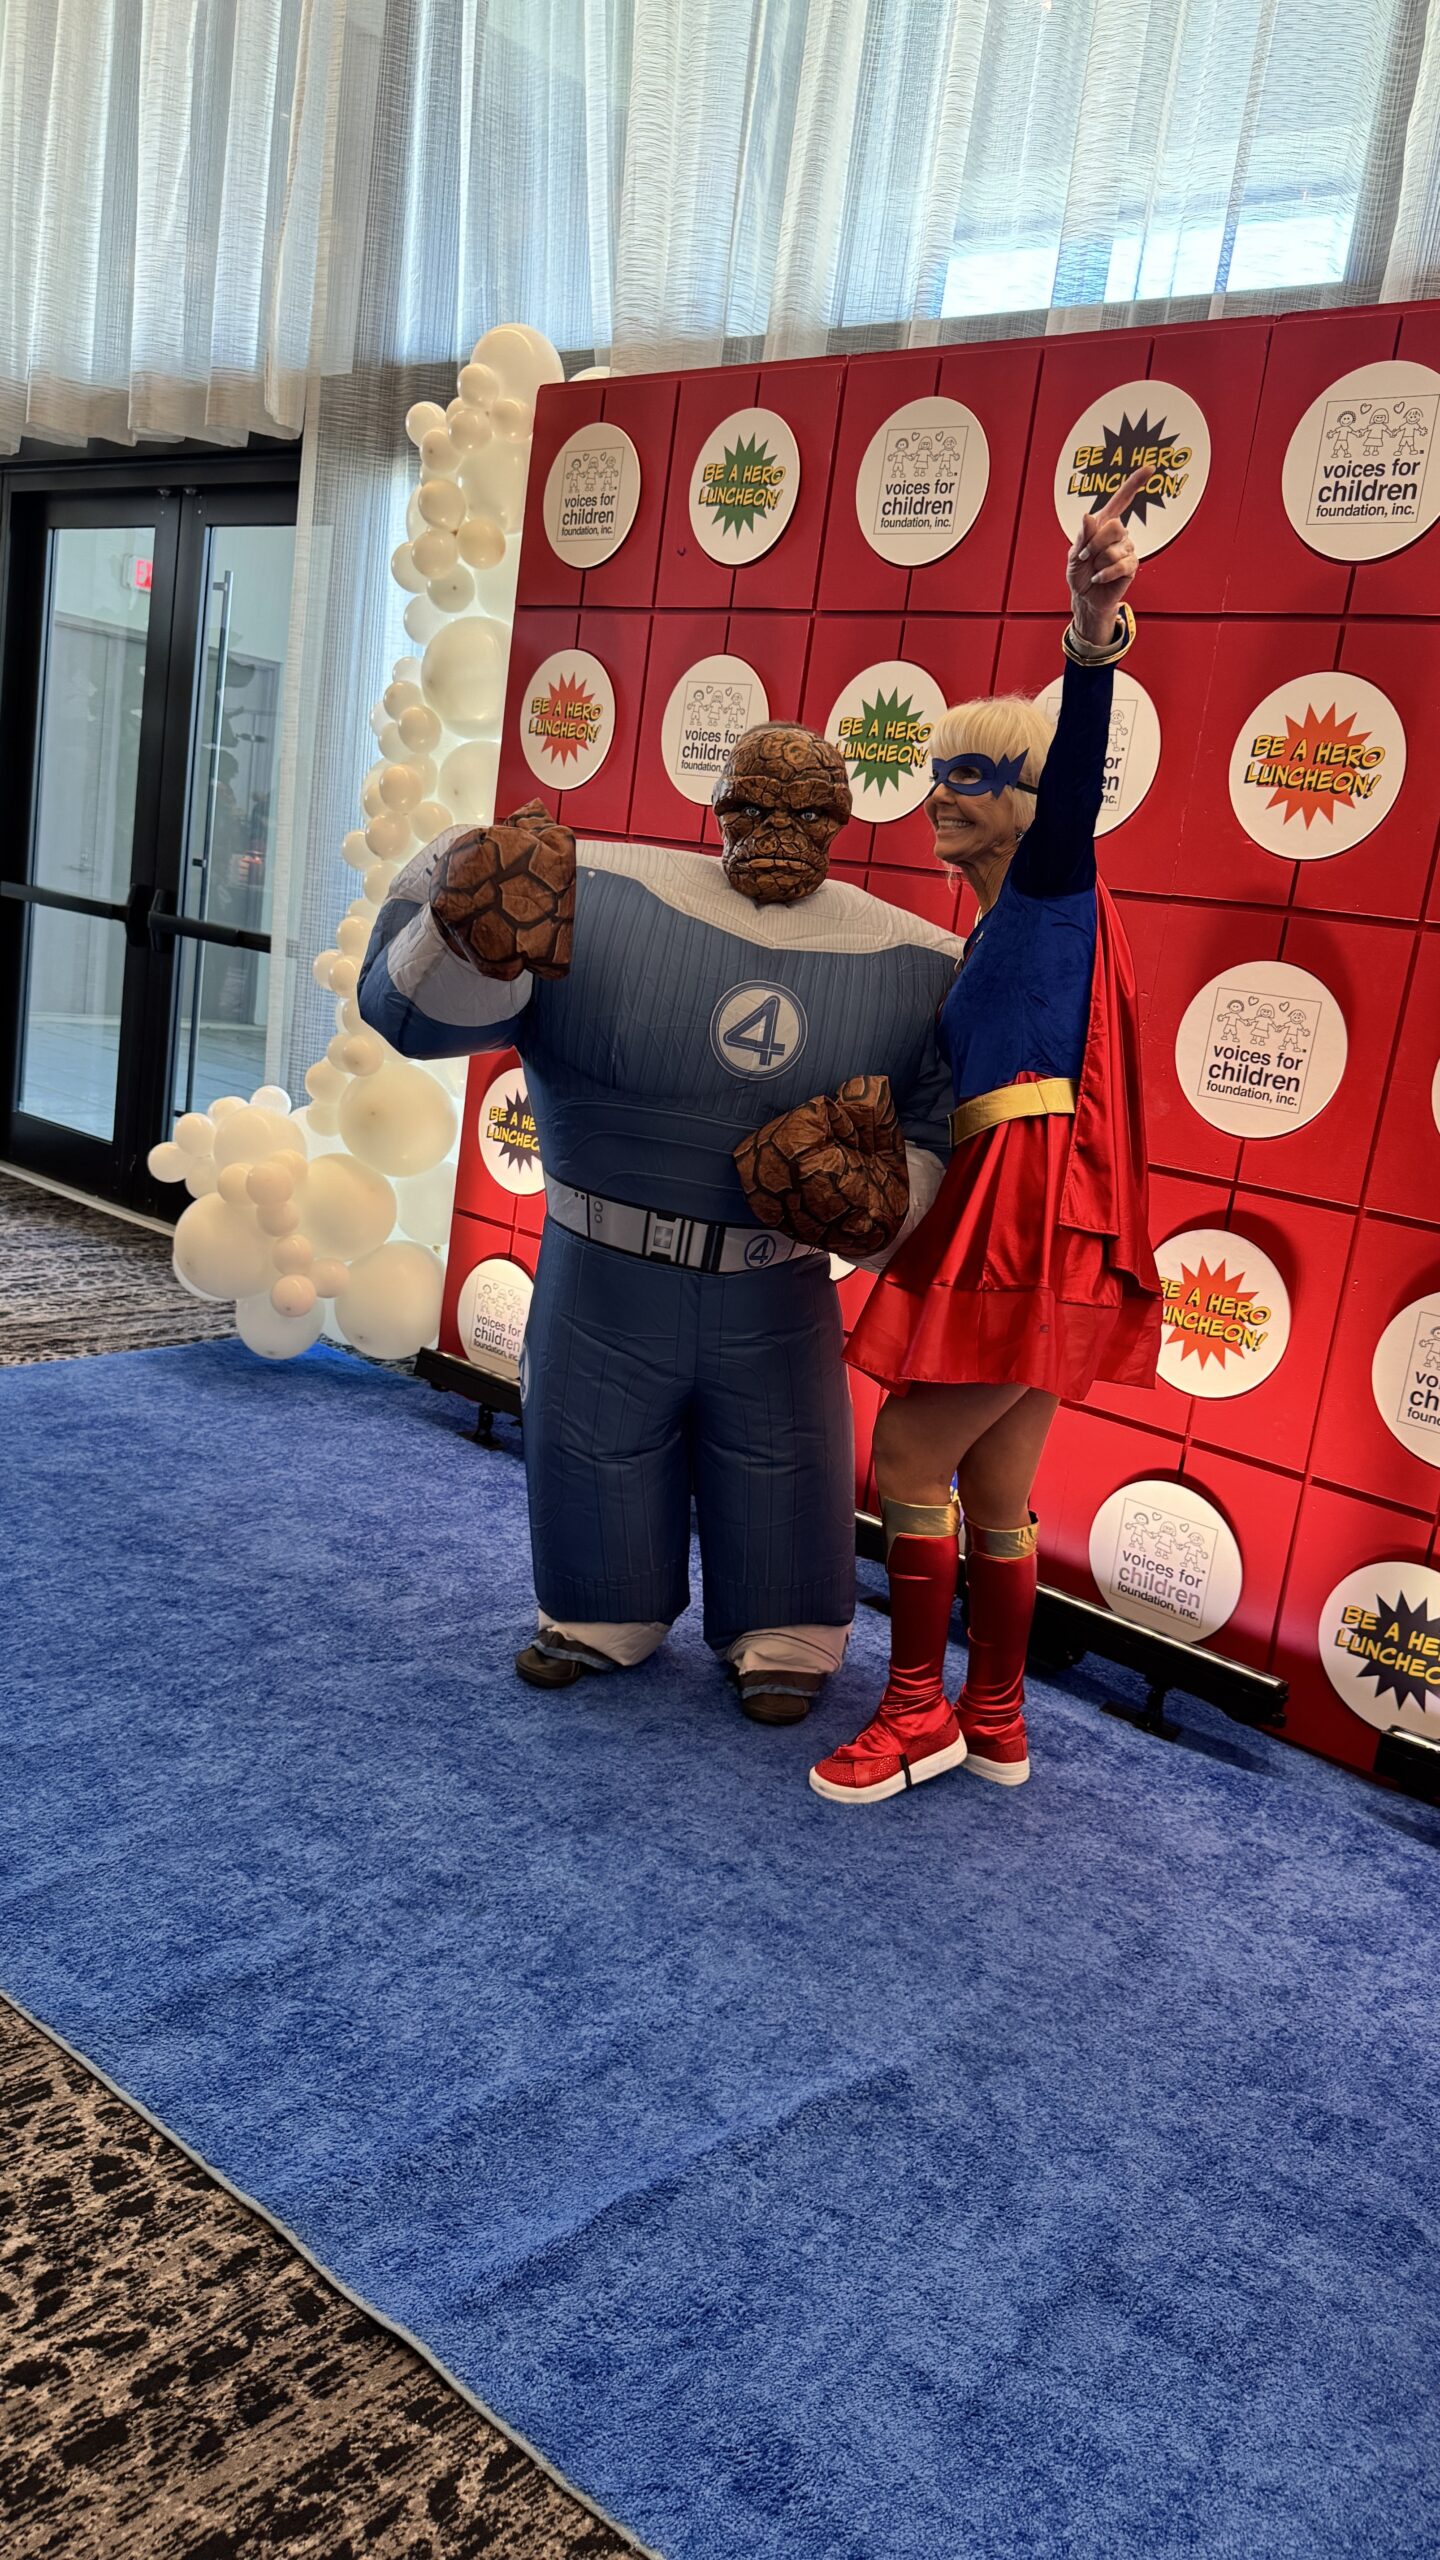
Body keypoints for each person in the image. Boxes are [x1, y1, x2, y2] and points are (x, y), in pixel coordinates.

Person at [356, 723, 961, 1725]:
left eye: (809, 811)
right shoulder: (583, 888)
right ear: (719, 807)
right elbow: (412, 1016)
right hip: (601, 1268)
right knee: (589, 1441)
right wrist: (458, 932)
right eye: (754, 804)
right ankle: (599, 1612)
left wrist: (882, 1200)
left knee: (786, 1453)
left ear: (842, 821)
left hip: (774, 1279)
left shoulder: (923, 964)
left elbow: (941, 1127)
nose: (779, 831)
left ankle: (786, 1629)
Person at [808, 464, 1162, 1806]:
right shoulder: (1007, 924)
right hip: (1035, 1206)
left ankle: (915, 1715)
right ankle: (996, 1716)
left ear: (1027, 799)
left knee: (908, 1453)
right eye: (935, 773)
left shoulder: (1055, 881)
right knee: (999, 1484)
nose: (939, 795)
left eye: (971, 775)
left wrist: (1091, 632)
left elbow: (1077, 772)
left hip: (1029, 1208)